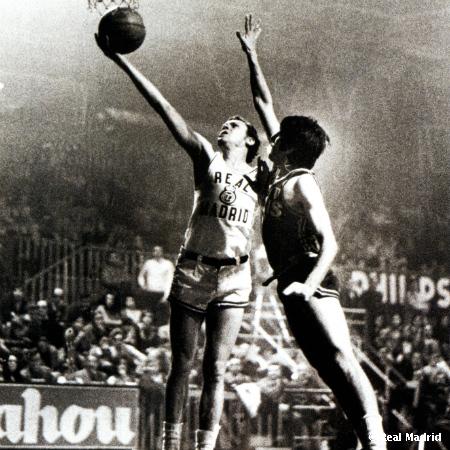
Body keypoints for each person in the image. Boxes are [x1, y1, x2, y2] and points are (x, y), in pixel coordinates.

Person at [96, 33, 261, 450]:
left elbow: (266, 107)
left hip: (235, 276)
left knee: (217, 369)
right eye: (225, 124)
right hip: (193, 269)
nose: (226, 125)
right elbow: (164, 107)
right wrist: (122, 62)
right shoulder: (207, 157)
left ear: (250, 142)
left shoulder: (260, 178)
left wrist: (252, 55)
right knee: (181, 364)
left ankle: (204, 446)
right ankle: (172, 444)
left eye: (235, 126)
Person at [237, 15, 386, 450]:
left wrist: (310, 283)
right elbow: (263, 102)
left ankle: (379, 437)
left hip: (309, 277)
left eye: (277, 135)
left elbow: (331, 242)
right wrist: (252, 55)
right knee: (324, 367)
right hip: (290, 279)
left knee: (342, 356)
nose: (271, 133)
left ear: (285, 144)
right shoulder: (280, 171)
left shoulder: (301, 180)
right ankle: (363, 438)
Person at [137, 246, 175, 325]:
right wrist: (143, 285)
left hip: (162, 294)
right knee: (149, 315)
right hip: (150, 293)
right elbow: (141, 276)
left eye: (159, 251)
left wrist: (166, 295)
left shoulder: (168, 264)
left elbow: (171, 280)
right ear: (153, 252)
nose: (157, 252)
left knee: (161, 316)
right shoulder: (148, 263)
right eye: (155, 251)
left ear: (162, 252)